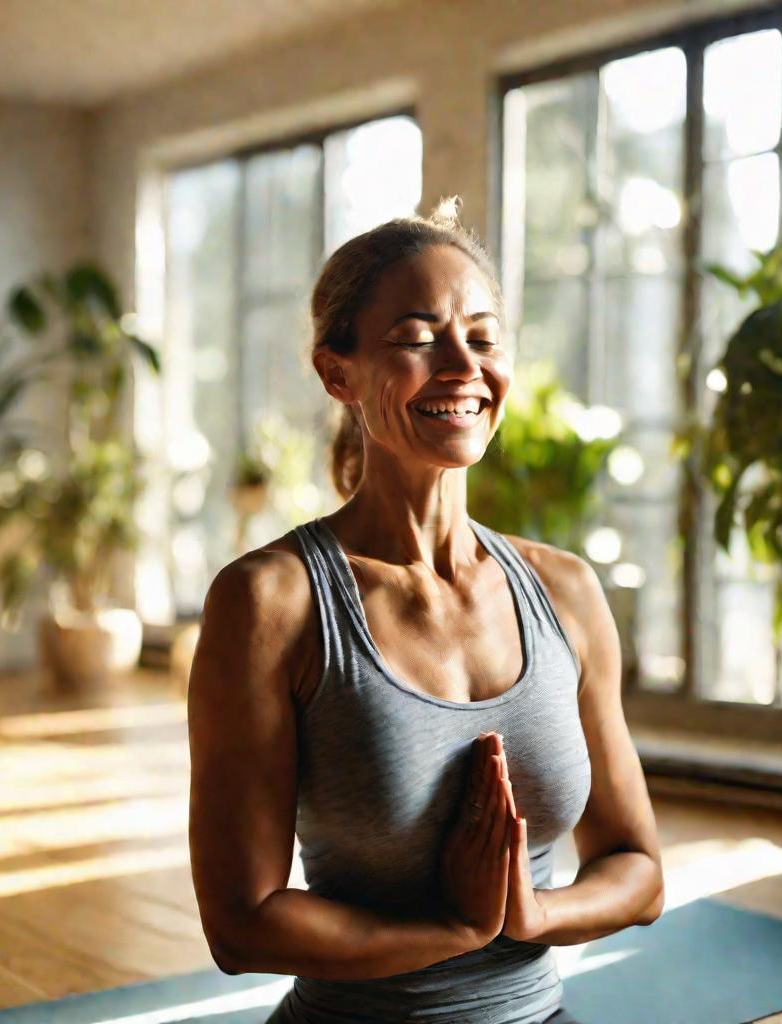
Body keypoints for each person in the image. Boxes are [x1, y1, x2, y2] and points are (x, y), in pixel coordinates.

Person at [186, 197, 665, 1024]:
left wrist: (533, 916)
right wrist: (452, 929)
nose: (462, 366)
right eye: (415, 339)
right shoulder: (271, 602)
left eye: (482, 337)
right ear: (339, 374)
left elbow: (639, 868)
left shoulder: (565, 591)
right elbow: (242, 923)